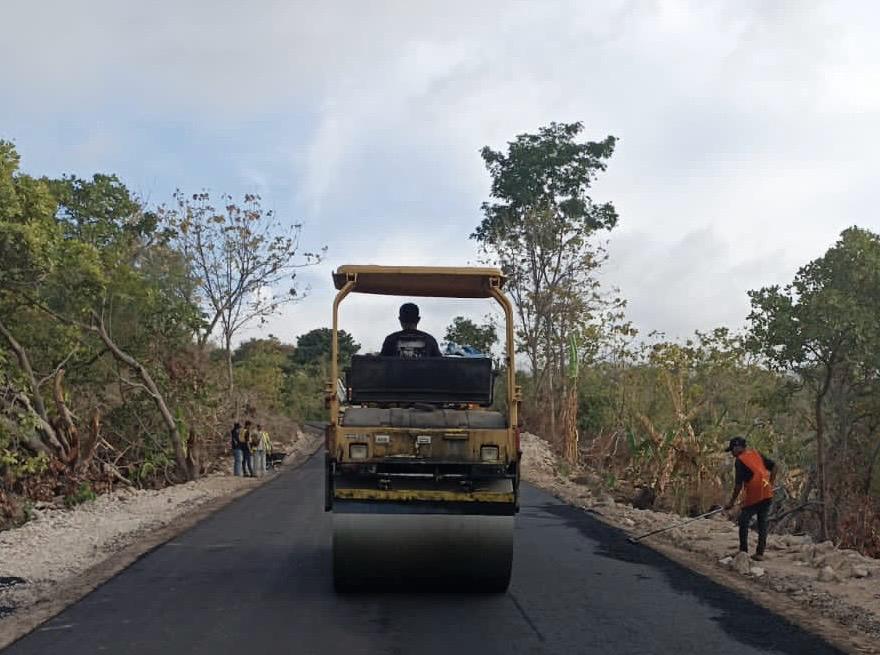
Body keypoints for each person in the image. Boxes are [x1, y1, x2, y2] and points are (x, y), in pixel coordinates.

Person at [724, 436, 777, 561]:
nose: (732, 453)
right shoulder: (756, 454)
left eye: (732, 449)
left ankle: (743, 551)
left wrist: (731, 502)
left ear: (738, 447)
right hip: (767, 493)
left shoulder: (740, 461)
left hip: (754, 496)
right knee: (762, 522)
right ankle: (760, 553)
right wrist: (770, 484)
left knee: (743, 520)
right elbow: (775, 466)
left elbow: (738, 486)